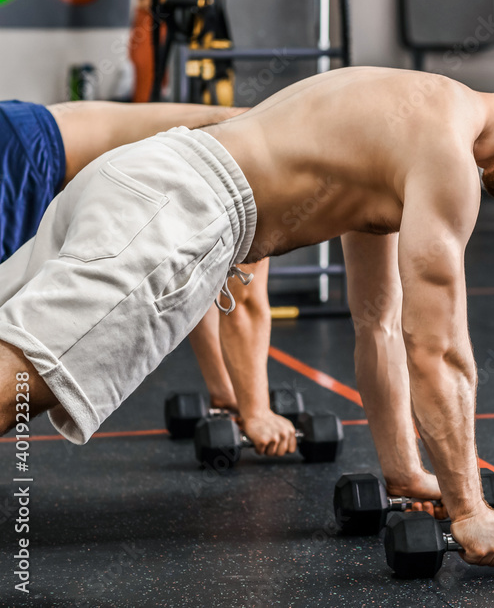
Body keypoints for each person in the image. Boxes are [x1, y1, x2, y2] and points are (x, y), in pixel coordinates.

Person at [0, 67, 494, 567]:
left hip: (140, 177)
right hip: (183, 210)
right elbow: (437, 348)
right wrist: (468, 510)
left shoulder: (417, 108)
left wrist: (405, 472)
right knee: (20, 386)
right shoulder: (448, 157)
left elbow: (378, 324)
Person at [0, 100, 298, 456]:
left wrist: (225, 395)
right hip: (28, 156)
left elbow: (198, 283)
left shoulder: (240, 130)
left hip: (23, 131)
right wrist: (257, 412)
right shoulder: (254, 165)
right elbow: (244, 303)